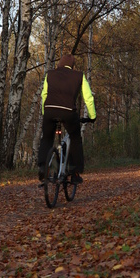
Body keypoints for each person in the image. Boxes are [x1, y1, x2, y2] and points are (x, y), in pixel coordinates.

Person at [38, 53, 96, 184]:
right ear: (72, 65)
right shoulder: (79, 76)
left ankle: (42, 167)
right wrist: (92, 116)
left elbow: (44, 95)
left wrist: (44, 113)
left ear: (59, 63)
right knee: (75, 138)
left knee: (47, 138)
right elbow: (88, 98)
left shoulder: (50, 74)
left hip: (49, 110)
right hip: (68, 112)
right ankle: (75, 172)